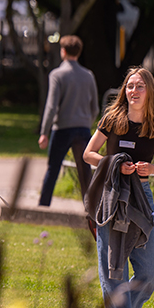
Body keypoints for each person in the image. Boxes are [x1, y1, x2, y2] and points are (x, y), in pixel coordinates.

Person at [83, 66, 154, 308]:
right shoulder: (112, 118)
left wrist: (152, 169)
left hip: (142, 196)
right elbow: (88, 154)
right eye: (130, 86)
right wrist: (114, 164)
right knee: (112, 267)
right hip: (111, 194)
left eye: (139, 86)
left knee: (149, 270)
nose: (133, 91)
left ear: (150, 92)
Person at [38, 35, 99, 206]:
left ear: (63, 51)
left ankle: (43, 205)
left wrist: (44, 132)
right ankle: (91, 208)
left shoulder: (57, 74)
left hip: (62, 128)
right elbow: (95, 108)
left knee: (53, 169)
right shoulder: (88, 75)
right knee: (85, 172)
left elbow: (51, 106)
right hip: (83, 129)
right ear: (79, 53)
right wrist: (87, 122)